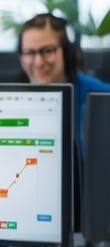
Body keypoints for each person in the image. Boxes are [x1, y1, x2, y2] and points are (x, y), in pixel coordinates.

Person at [18, 12, 110, 148]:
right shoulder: (12, 100)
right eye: (30, 53)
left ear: (67, 53)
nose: (38, 62)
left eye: (48, 51)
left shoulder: (101, 95)